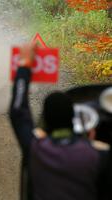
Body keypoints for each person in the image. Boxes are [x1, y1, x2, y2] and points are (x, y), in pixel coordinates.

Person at [9, 44, 110, 200]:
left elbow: (18, 111)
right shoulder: (97, 156)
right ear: (73, 118)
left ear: (46, 123)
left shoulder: (37, 150)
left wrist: (24, 65)